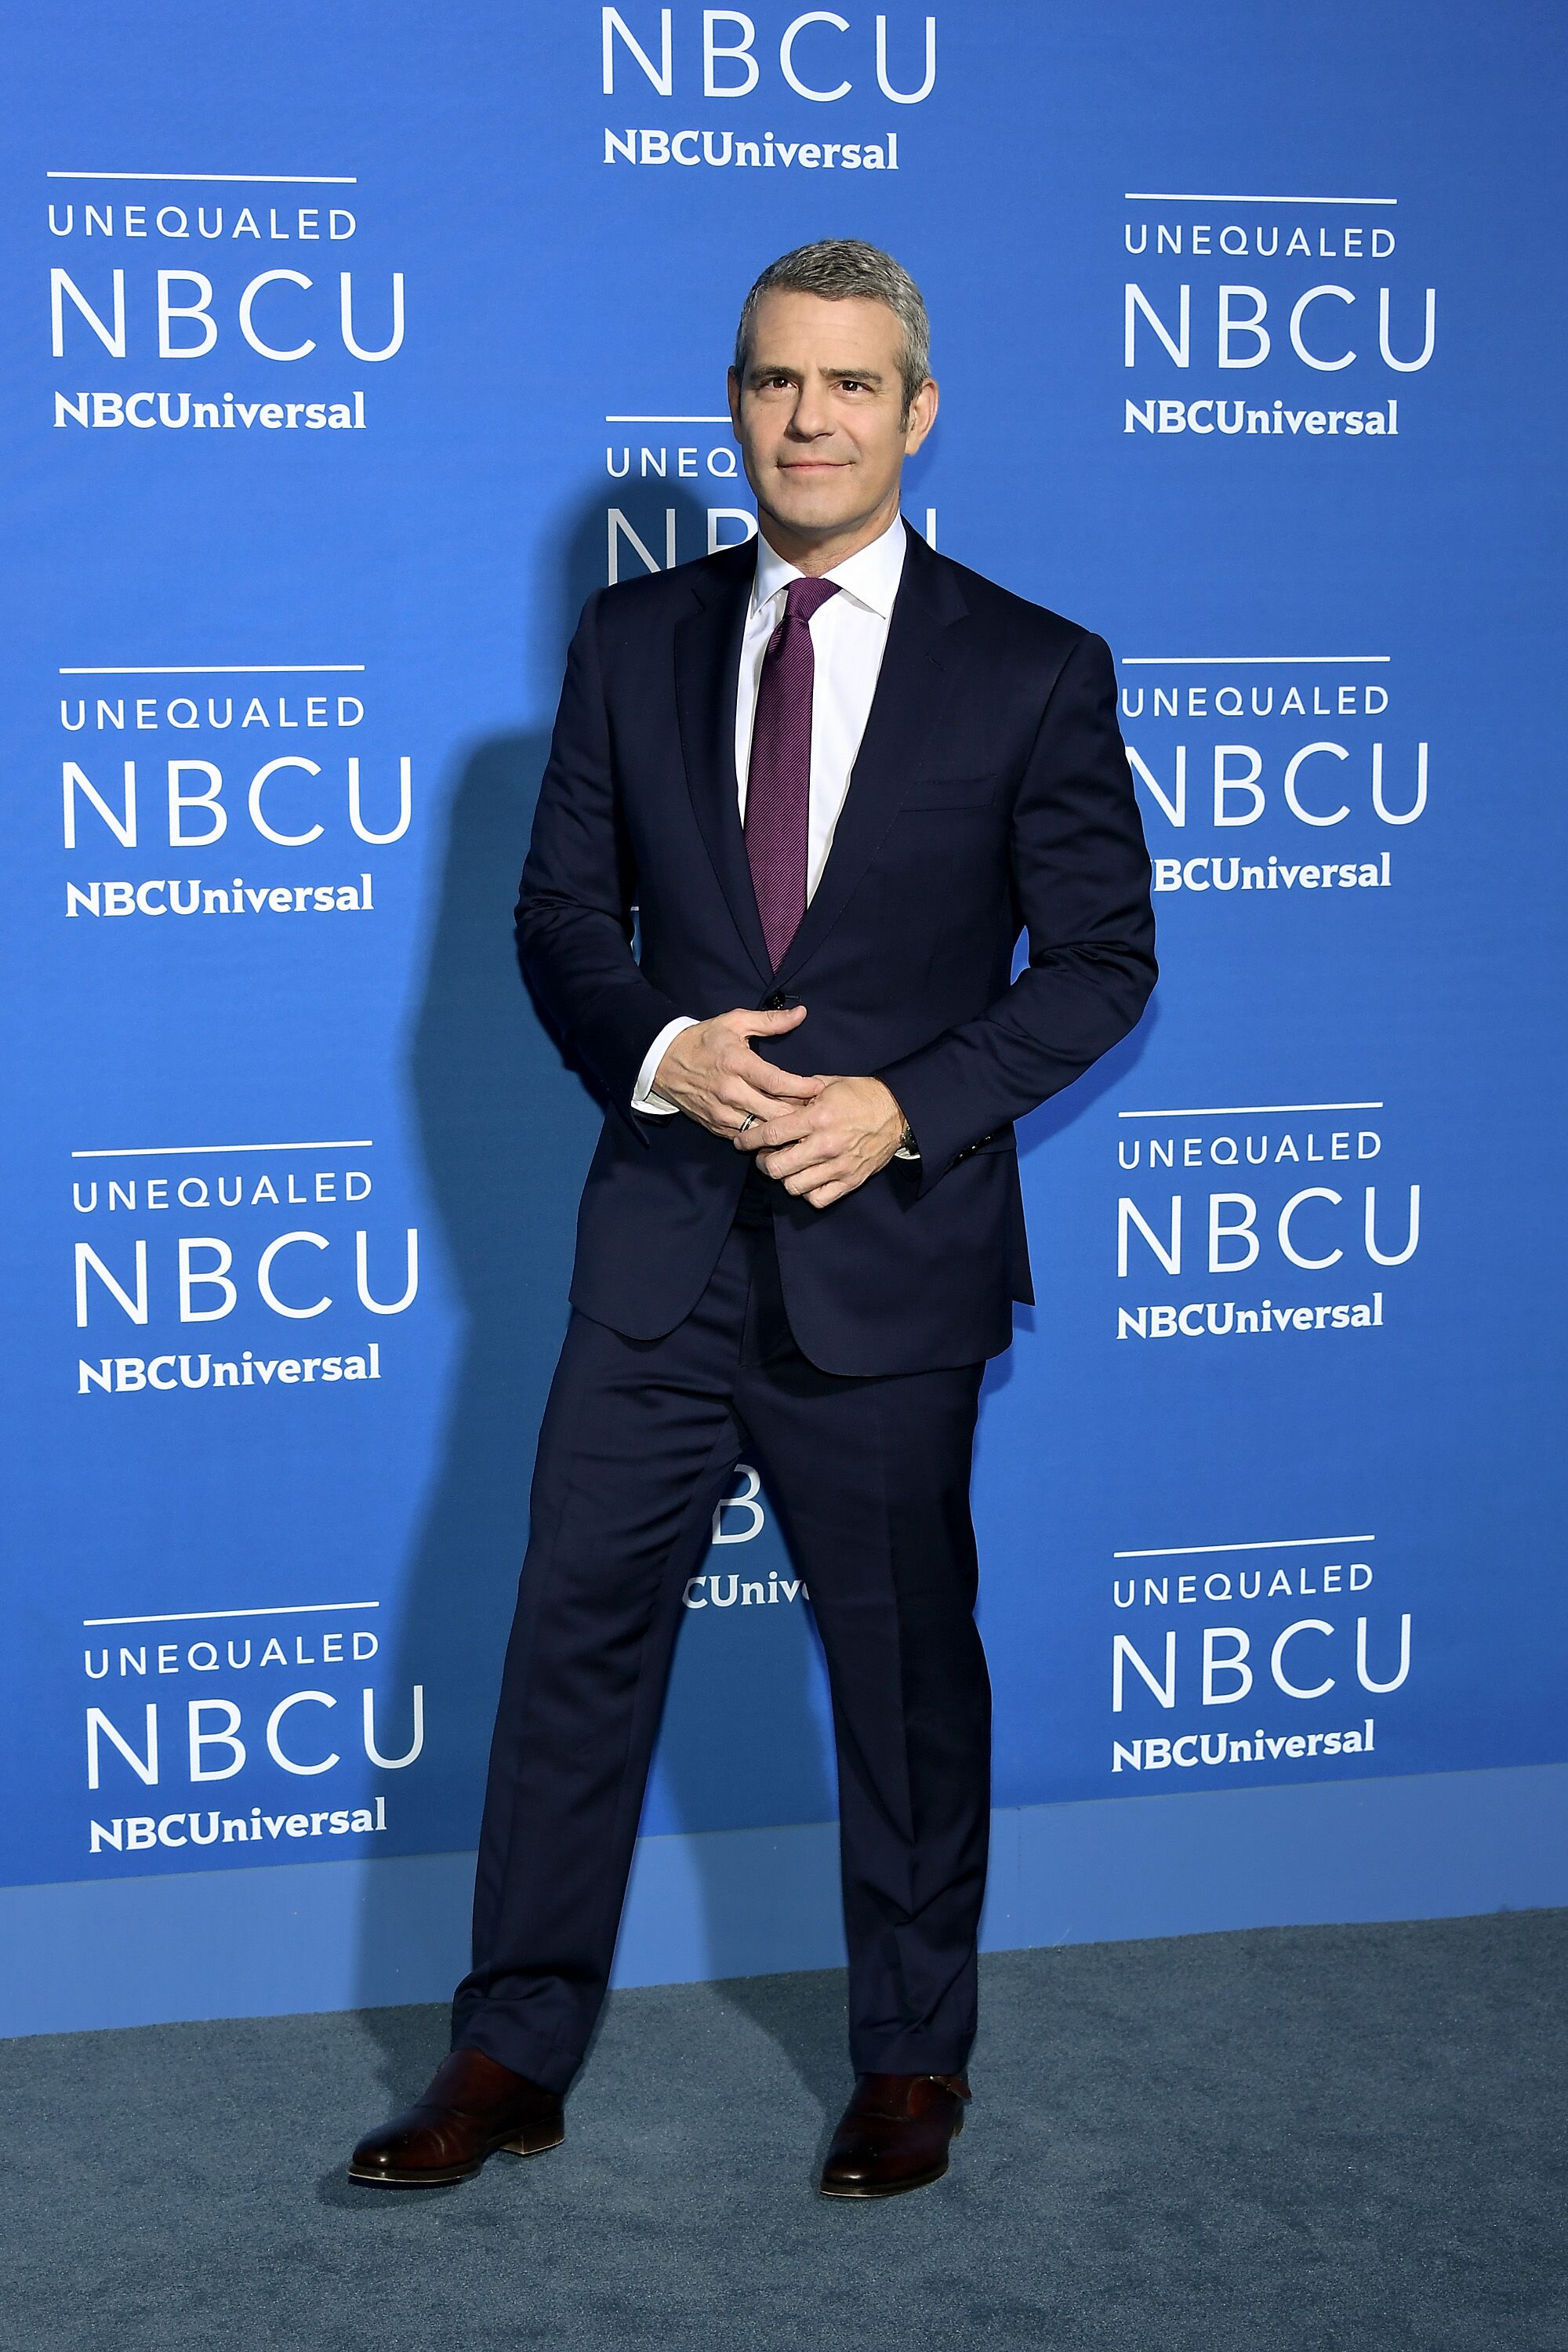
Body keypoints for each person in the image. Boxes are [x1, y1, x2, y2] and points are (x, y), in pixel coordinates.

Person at [350, 238, 1156, 2199]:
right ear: (736, 402)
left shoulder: (1034, 663)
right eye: (773, 383)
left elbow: (1103, 959)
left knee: (900, 1673)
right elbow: (557, 926)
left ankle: (909, 2065)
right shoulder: (632, 646)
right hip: (657, 1253)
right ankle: (509, 2053)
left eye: (849, 386)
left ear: (916, 409)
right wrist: (664, 1055)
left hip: (889, 1257)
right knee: (566, 1655)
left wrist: (904, 1109)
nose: (807, 420)